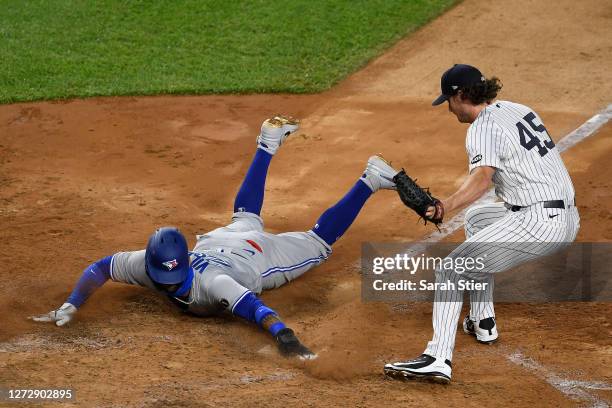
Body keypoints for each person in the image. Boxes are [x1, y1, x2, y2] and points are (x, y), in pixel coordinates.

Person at [32, 116, 400, 359]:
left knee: (318, 244)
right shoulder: (146, 265)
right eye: (164, 280)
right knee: (244, 217)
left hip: (256, 255)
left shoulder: (216, 284)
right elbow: (102, 267)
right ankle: (267, 143)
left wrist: (286, 338)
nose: (169, 287)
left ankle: (372, 178)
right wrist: (73, 303)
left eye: (171, 281)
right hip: (222, 241)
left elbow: (259, 312)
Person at [383, 64, 580, 383]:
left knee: (451, 269)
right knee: (478, 218)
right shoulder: (517, 109)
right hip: (565, 216)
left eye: (448, 100)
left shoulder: (481, 129)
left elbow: (482, 179)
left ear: (461, 95)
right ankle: (482, 320)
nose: (448, 108)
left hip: (538, 223)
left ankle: (437, 358)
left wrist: (444, 206)